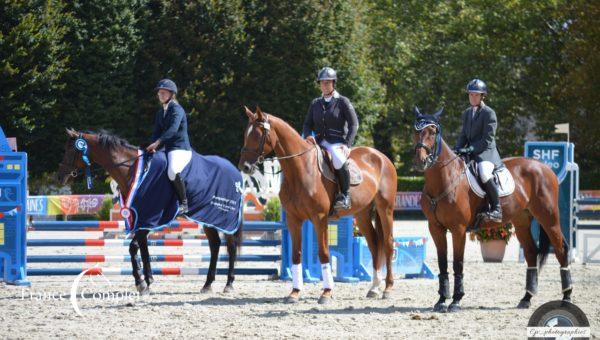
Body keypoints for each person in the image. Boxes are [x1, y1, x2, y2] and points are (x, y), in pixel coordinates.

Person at [302, 67, 358, 211]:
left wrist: (347, 144)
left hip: (337, 142)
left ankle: (345, 195)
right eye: (322, 83)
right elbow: (307, 124)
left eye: (327, 83)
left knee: (338, 159)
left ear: (333, 83)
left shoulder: (343, 102)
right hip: (319, 142)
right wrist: (308, 135)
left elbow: (354, 124)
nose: (324, 85)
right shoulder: (315, 103)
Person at [454, 78, 503, 222]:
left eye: (476, 95)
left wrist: (471, 148)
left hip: (486, 153)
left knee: (483, 172)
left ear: (482, 96)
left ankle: (496, 208)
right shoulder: (467, 113)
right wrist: (457, 148)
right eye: (471, 94)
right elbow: (463, 135)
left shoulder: (489, 113)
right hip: (471, 152)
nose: (473, 97)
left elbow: (487, 139)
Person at [146, 78, 191, 215]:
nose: (160, 95)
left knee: (172, 171)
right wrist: (151, 145)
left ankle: (184, 203)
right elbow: (156, 132)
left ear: (172, 94)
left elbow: (172, 130)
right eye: (159, 93)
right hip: (167, 148)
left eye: (164, 93)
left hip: (180, 148)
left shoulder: (177, 110)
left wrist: (158, 143)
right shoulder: (161, 112)